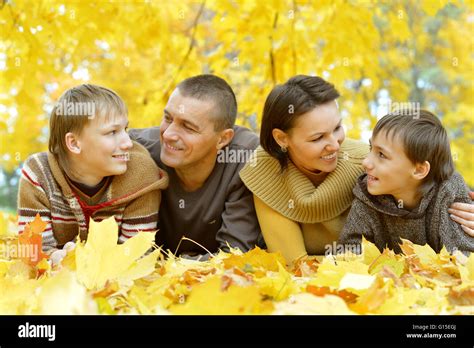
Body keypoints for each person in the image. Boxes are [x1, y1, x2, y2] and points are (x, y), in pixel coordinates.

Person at [239, 75, 474, 265]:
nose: (334, 144)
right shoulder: (265, 171)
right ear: (281, 138)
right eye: (318, 137)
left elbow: (433, 177)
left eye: (338, 128)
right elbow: (294, 264)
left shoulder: (371, 163)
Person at [18, 84, 169, 258]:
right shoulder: (39, 174)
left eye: (125, 129)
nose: (128, 142)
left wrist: (85, 262)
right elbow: (32, 252)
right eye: (112, 132)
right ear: (74, 143)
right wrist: (56, 258)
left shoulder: (141, 176)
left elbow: (136, 256)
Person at [129, 74, 263, 260]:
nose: (168, 135)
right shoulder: (135, 149)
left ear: (223, 139)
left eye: (188, 127)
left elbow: (233, 257)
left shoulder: (246, 159)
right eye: (168, 118)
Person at [338, 111, 473, 254]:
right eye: (371, 148)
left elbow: (463, 260)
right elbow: (348, 255)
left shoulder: (449, 192)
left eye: (382, 155)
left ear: (419, 170)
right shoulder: (368, 194)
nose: (366, 162)